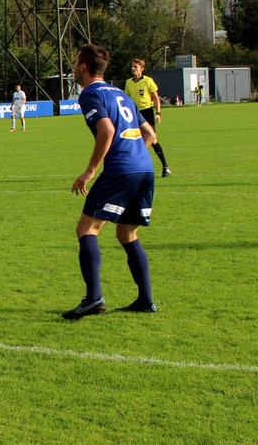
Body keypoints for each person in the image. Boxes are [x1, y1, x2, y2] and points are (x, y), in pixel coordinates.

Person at [64, 44, 158, 320]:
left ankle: (93, 299)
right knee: (127, 234)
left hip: (121, 169)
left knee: (87, 229)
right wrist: (136, 154)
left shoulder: (90, 94)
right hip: (144, 169)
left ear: (83, 67)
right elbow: (150, 134)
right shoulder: (120, 92)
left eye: (75, 62)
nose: (73, 66)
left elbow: (106, 129)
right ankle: (145, 300)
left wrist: (91, 170)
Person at [126, 59, 171, 177]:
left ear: (142, 69)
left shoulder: (148, 81)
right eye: (132, 66)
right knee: (138, 139)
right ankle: (163, 167)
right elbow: (127, 99)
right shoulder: (128, 82)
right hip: (135, 114)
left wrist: (158, 113)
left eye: (135, 67)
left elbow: (156, 98)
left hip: (147, 113)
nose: (133, 69)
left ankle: (163, 166)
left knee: (152, 138)